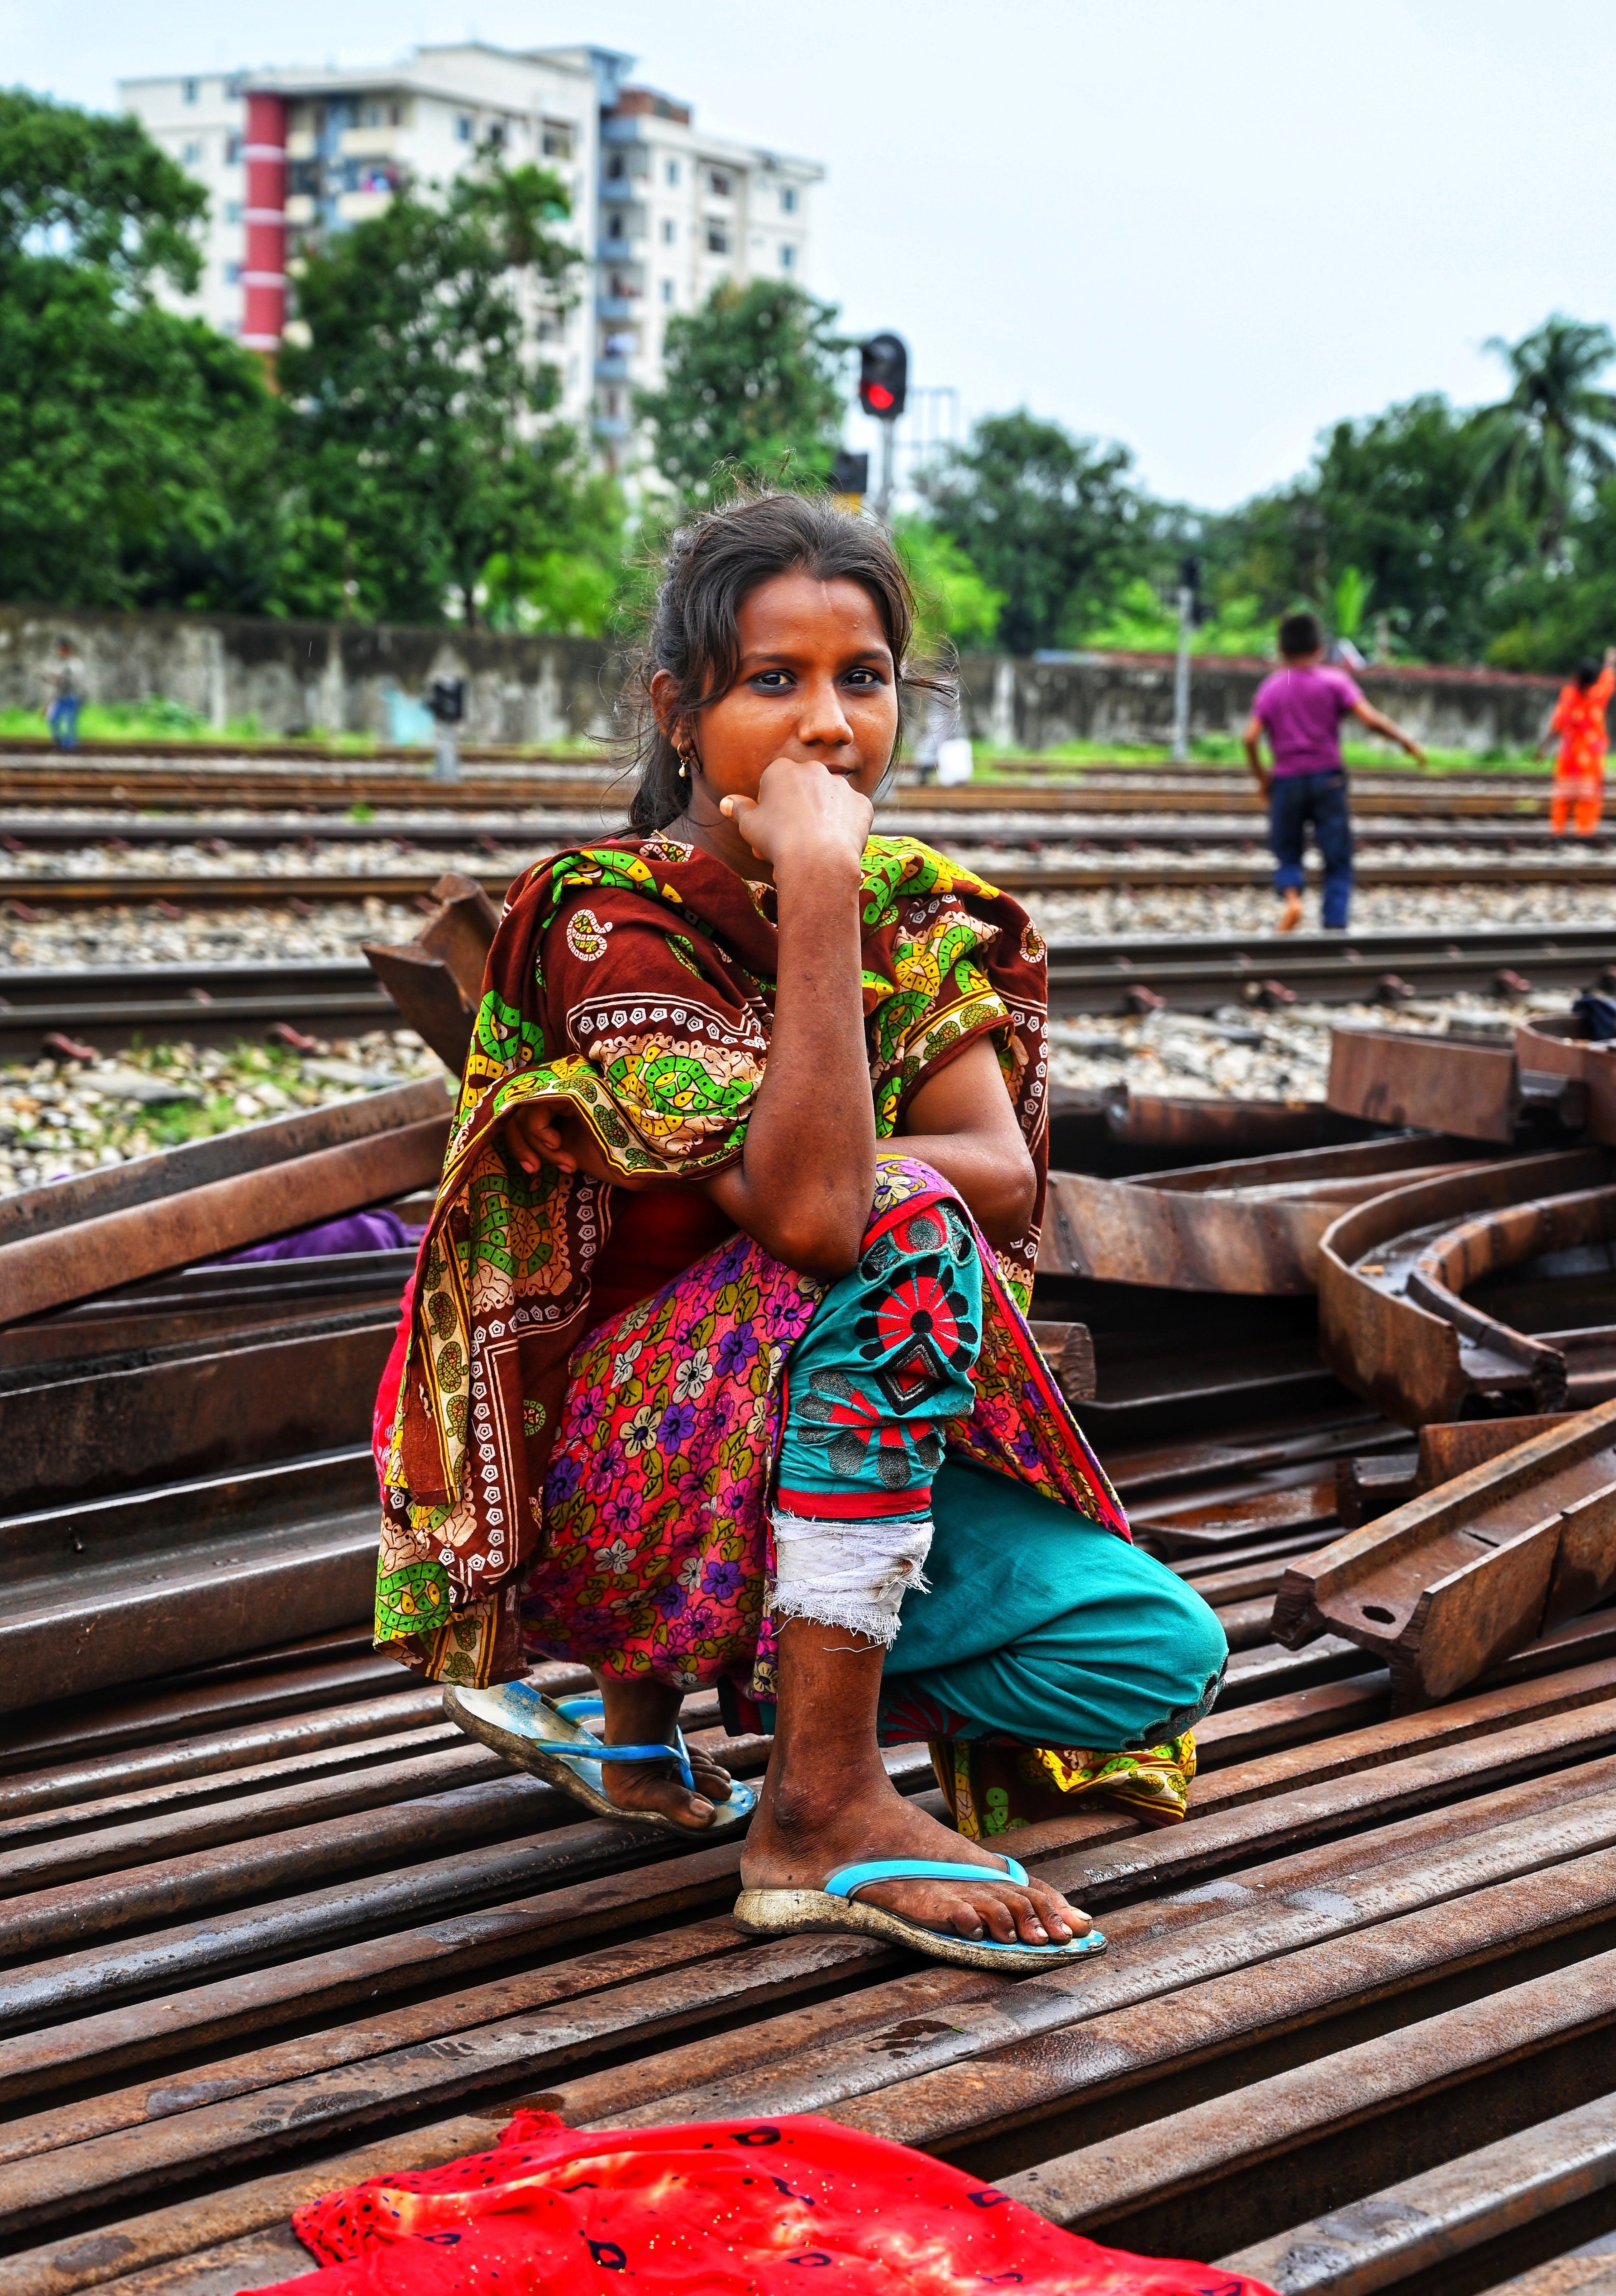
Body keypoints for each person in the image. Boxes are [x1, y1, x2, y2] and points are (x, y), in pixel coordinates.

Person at [372, 492, 1226, 1973]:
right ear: (679, 713)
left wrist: (810, 1117)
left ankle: (768, 1681)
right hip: (616, 1506)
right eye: (775, 680)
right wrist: (819, 894)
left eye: (865, 677)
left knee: (1156, 1654)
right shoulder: (603, 924)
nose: (830, 725)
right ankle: (816, 1803)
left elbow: (1001, 1172)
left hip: (801, 1461)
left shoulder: (917, 909)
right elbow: (838, 1219)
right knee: (889, 1225)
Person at [1243, 609, 1427, 931]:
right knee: (1337, 859)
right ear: (1319, 648)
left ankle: (1292, 900)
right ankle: (1334, 928)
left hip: (1286, 780)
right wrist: (1406, 742)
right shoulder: (1333, 680)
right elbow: (1371, 720)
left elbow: (1250, 738)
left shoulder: (1274, 686)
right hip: (1328, 778)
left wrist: (1263, 779)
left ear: (1282, 650)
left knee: (1287, 850)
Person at [1537, 647, 1615, 837]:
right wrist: (1610, 661)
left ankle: (1558, 832)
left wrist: (1544, 748)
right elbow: (1608, 678)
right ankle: (1585, 834)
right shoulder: (1598, 694)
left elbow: (1557, 725)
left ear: (1577, 678)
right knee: (1588, 800)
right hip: (1591, 759)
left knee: (1563, 799)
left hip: (1569, 758)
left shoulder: (1569, 697)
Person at [43, 637, 85, 750]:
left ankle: (69, 748)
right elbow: (54, 685)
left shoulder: (75, 664)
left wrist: (60, 679)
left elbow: (76, 682)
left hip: (71, 697)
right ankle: (60, 742)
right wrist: (48, 703)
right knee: (52, 718)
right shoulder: (58, 663)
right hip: (59, 698)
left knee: (69, 723)